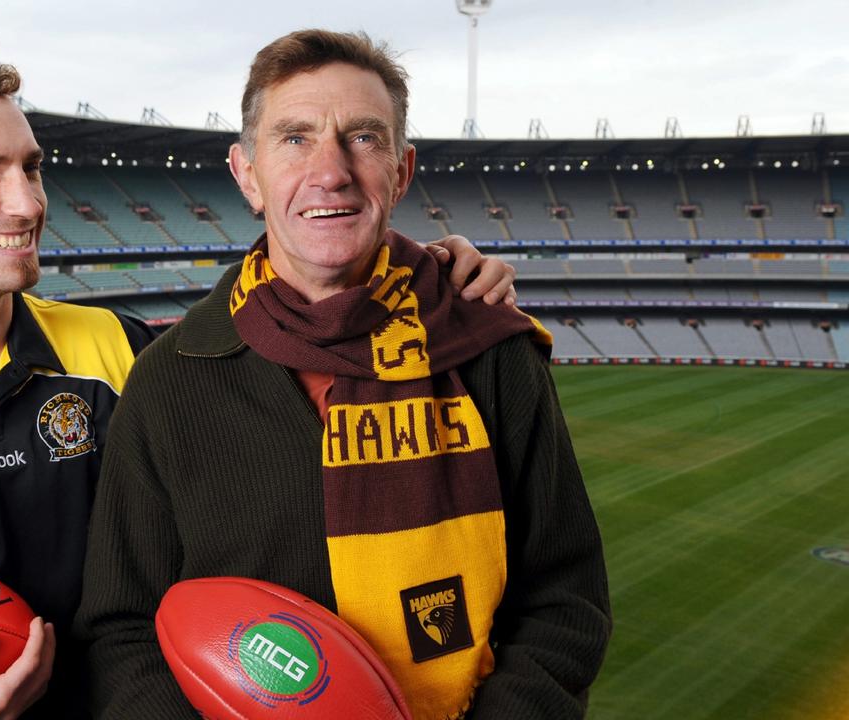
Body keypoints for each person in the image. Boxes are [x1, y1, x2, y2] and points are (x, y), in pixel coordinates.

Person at [0, 43, 517, 720]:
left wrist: (431, 274)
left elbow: (297, 326)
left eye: (31, 168)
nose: (28, 202)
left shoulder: (120, 349)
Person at [75, 29, 611, 720]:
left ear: (401, 170)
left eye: (363, 137)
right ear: (247, 175)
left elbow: (565, 601)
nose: (331, 170)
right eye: (295, 137)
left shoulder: (488, 348)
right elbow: (122, 629)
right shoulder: (170, 379)